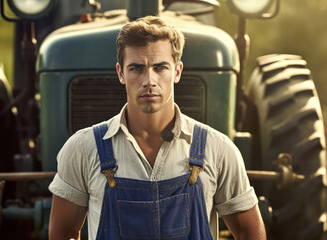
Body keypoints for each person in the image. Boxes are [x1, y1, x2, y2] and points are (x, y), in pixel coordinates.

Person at [48, 16, 266, 240]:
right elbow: (62, 233)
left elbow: (249, 232)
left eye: (160, 67)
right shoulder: (83, 149)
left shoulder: (218, 149)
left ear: (177, 71)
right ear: (120, 73)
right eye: (136, 68)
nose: (149, 81)